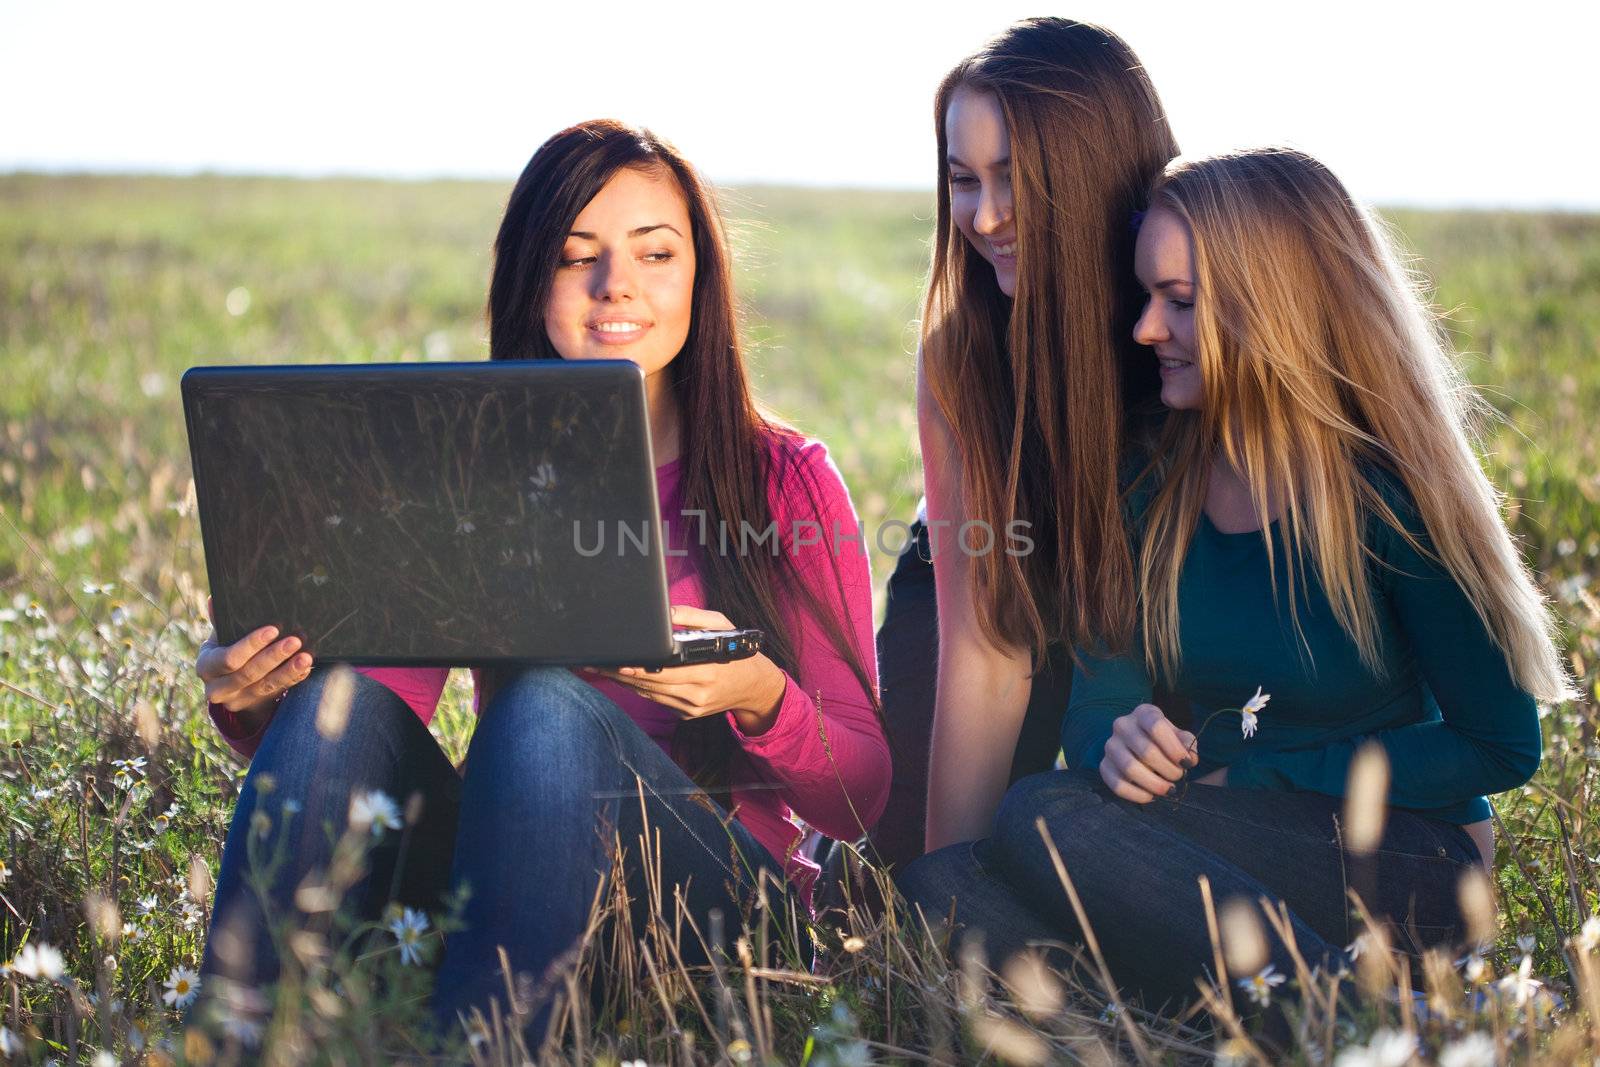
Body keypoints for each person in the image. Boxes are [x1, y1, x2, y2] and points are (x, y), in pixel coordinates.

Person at [193, 119, 890, 1037]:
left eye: (656, 252)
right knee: (345, 687)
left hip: (712, 909)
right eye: (577, 257)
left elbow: (862, 795)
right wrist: (260, 692)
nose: (618, 287)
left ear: (700, 277)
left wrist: (760, 695)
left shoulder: (787, 479)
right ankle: (229, 1039)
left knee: (546, 708)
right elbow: (365, 723)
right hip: (514, 873)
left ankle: (486, 1047)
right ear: (534, 280)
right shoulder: (474, 468)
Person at [899, 146, 1569, 1008]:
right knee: (941, 886)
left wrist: (1259, 775)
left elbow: (1499, 744)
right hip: (1204, 839)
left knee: (1045, 816)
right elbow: (1102, 699)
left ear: (1278, 313)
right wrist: (1120, 740)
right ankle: (1263, 1005)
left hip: (1407, 864)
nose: (1144, 329)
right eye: (1147, 298)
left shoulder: (1390, 498)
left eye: (1179, 303)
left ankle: (1351, 1018)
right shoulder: (1145, 478)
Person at [861, 18, 1179, 873]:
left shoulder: (1187, 319)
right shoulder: (962, 355)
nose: (987, 216)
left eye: (1017, 180)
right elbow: (986, 652)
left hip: (1145, 595)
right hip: (978, 582)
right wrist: (941, 895)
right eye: (965, 181)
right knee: (902, 869)